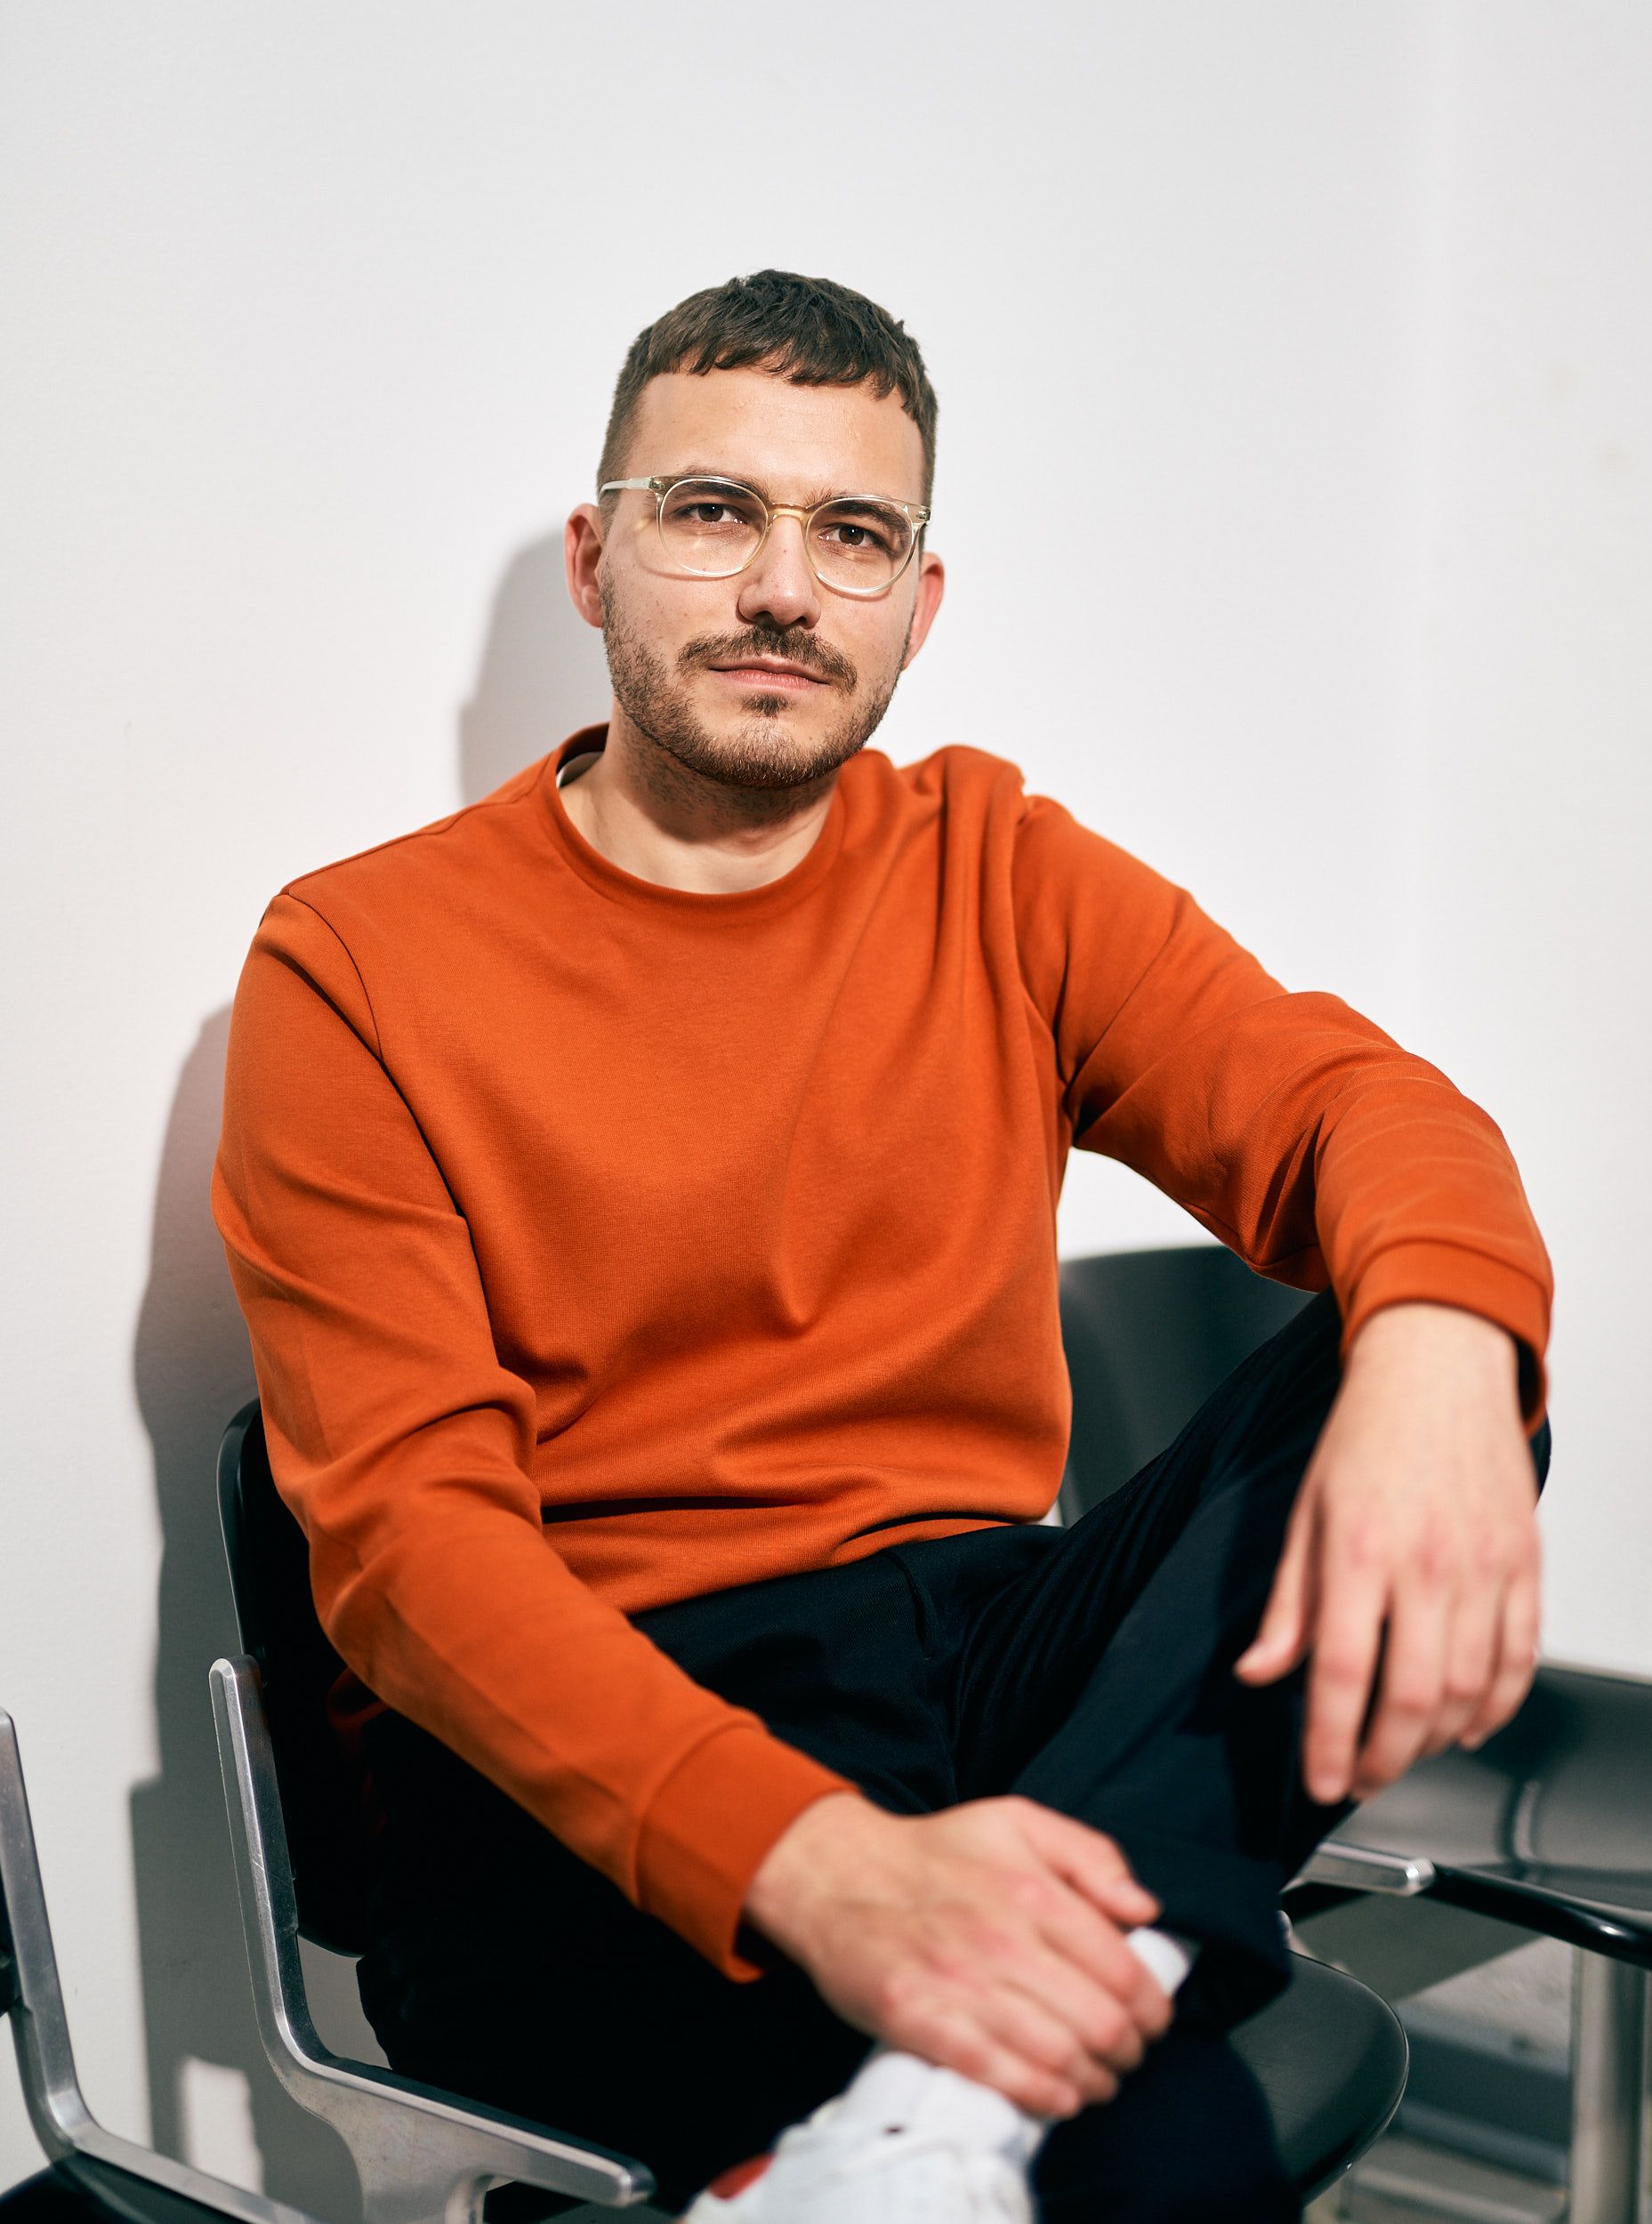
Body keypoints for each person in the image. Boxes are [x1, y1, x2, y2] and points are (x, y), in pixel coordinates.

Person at [211, 270, 1554, 2224]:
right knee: (1157, 2151)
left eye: (851, 534)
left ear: (916, 606)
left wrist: (1438, 1358)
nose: (783, 587)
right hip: (589, 1759)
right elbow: (414, 1556)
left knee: (1435, 1337)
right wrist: (827, 1867)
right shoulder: (354, 961)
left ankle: (953, 2083)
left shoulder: (998, 868)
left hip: (979, 1668)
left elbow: (1365, 1110)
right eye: (711, 511)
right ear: (596, 560)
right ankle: (1009, 2059)